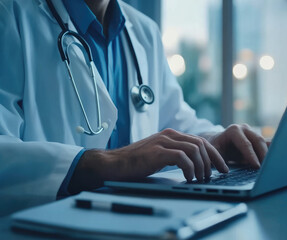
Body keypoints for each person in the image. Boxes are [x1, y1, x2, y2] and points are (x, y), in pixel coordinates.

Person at [0, 0, 268, 198]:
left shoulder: (144, 31)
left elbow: (174, 120)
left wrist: (213, 142)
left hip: (139, 222)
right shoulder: (10, 15)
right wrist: (106, 164)